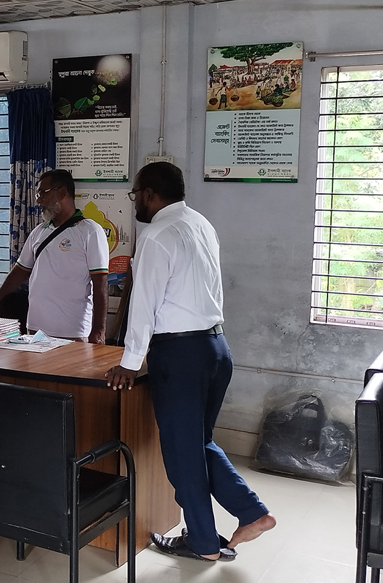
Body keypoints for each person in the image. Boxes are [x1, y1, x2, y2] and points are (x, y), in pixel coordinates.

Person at [104, 162, 275, 562]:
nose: (135, 203)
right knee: (197, 444)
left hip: (180, 355)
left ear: (149, 194)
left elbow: (144, 303)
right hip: (216, 347)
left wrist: (130, 362)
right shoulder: (200, 224)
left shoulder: (156, 234)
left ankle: (203, 543)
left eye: (135, 195)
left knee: (184, 453)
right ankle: (252, 513)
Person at [0, 169, 109, 343]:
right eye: (38, 194)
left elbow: (100, 284)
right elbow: (20, 271)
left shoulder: (90, 231)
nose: (38, 200)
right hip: (35, 330)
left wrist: (99, 330)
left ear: (62, 192)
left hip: (73, 332)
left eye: (43, 193)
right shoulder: (39, 232)